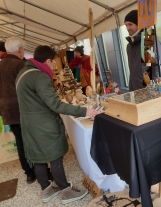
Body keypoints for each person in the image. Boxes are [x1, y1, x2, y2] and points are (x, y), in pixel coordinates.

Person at [16, 45, 99, 204]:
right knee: (55, 156)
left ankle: (46, 190)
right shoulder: (39, 76)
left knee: (39, 157)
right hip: (43, 124)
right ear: (48, 60)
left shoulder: (23, 73)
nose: (54, 66)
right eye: (53, 63)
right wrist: (84, 111)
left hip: (29, 124)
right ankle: (66, 190)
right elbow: (55, 104)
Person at [0, 37, 36, 184]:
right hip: (23, 109)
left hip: (7, 111)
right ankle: (40, 170)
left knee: (20, 142)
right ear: (20, 49)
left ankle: (29, 173)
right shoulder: (21, 65)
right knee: (32, 140)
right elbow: (29, 89)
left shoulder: (1, 65)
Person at [124, 9, 161, 91]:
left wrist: (153, 90)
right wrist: (131, 91)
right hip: (135, 93)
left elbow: (157, 68)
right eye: (126, 25)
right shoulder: (129, 46)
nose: (128, 28)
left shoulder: (148, 41)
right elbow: (132, 73)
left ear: (138, 24)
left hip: (148, 92)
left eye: (130, 24)